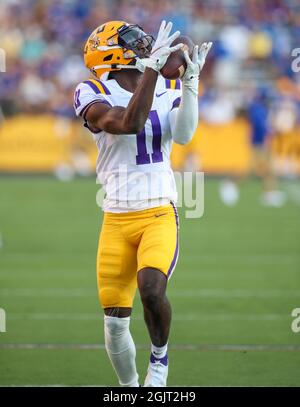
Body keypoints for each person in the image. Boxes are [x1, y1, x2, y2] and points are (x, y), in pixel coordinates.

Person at [74, 20, 212, 387]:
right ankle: (130, 389)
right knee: (116, 323)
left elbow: (182, 135)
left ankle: (160, 361)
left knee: (152, 289)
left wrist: (191, 84)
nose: (144, 43)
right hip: (117, 217)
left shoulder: (166, 89)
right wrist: (152, 69)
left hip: (158, 211)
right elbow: (129, 122)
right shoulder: (90, 90)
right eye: (131, 41)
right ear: (111, 53)